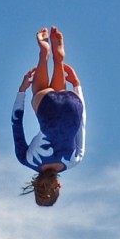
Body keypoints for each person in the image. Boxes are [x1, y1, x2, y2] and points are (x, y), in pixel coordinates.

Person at [12, 26, 85, 207]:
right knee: (42, 94)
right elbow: (16, 123)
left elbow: (81, 124)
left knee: (61, 99)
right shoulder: (26, 159)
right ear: (36, 184)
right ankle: (44, 54)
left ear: (59, 185)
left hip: (73, 107)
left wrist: (77, 87)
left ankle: (58, 60)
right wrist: (22, 92)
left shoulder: (75, 160)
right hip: (47, 108)